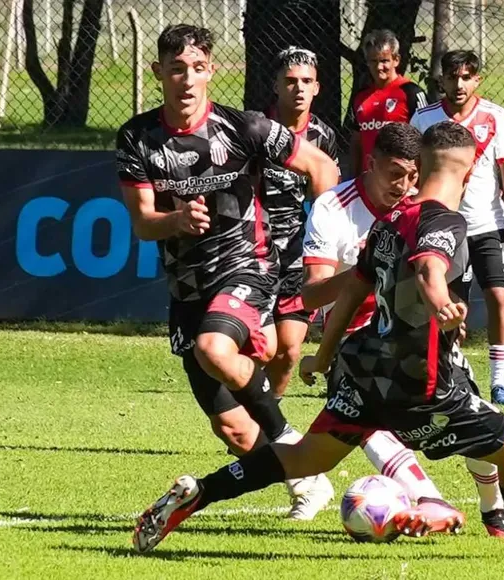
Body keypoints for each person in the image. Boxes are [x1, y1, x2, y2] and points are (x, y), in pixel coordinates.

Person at [131, 121, 504, 559]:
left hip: (365, 370)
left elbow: (352, 290)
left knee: (304, 458)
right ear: (469, 175)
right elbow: (430, 265)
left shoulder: (389, 223)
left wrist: (323, 355)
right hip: (418, 383)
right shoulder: (444, 220)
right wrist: (438, 301)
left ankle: (201, 493)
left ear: (420, 165)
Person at [116, 24, 338, 526]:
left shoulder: (246, 127)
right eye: (176, 69)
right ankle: (303, 478)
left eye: (197, 68)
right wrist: (174, 221)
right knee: (235, 432)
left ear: (211, 71)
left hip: (248, 266)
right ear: (159, 74)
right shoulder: (137, 138)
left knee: (214, 349)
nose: (187, 80)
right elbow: (141, 222)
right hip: (186, 288)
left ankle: (286, 438)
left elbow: (322, 167)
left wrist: (325, 238)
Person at [302, 122, 504, 538]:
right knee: (367, 426)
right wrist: (367, 269)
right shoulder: (334, 206)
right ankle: (430, 498)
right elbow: (310, 295)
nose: (403, 185)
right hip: (359, 339)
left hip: (417, 338)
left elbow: (433, 273)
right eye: (393, 173)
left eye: (411, 174)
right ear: (371, 165)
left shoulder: (424, 213)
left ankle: (493, 509)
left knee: (474, 413)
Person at [410, 50, 504, 407]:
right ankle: (451, 376)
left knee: (499, 298)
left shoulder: (496, 117)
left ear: (477, 80)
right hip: (443, 226)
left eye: (466, 77)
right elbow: (413, 169)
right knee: (450, 305)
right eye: (451, 77)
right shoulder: (424, 119)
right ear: (441, 80)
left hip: (490, 223)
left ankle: (499, 382)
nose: (458, 85)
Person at [261, 47, 341, 399]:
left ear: (317, 88)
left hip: (296, 254)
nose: (299, 88)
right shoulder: (253, 128)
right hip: (253, 252)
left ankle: (268, 422)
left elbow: (329, 204)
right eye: (290, 81)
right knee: (261, 347)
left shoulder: (323, 137)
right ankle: (246, 413)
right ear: (275, 85)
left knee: (289, 350)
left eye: (306, 81)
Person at [349, 29, 428, 175]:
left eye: (384, 61)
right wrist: (352, 179)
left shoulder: (412, 93)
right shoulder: (360, 97)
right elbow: (356, 142)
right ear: (367, 62)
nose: (379, 67)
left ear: (396, 60)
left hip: (403, 182)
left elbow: (426, 140)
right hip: (369, 182)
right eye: (373, 61)